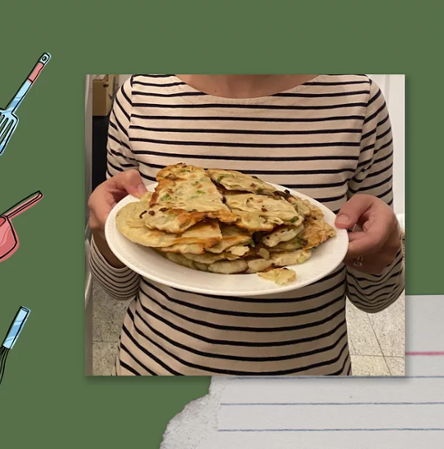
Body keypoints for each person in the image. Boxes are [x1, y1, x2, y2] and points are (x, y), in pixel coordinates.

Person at [88, 74, 405, 376]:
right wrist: (104, 230)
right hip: (156, 368)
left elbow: (375, 298)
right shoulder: (140, 98)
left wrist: (384, 253)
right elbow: (119, 288)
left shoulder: (358, 103)